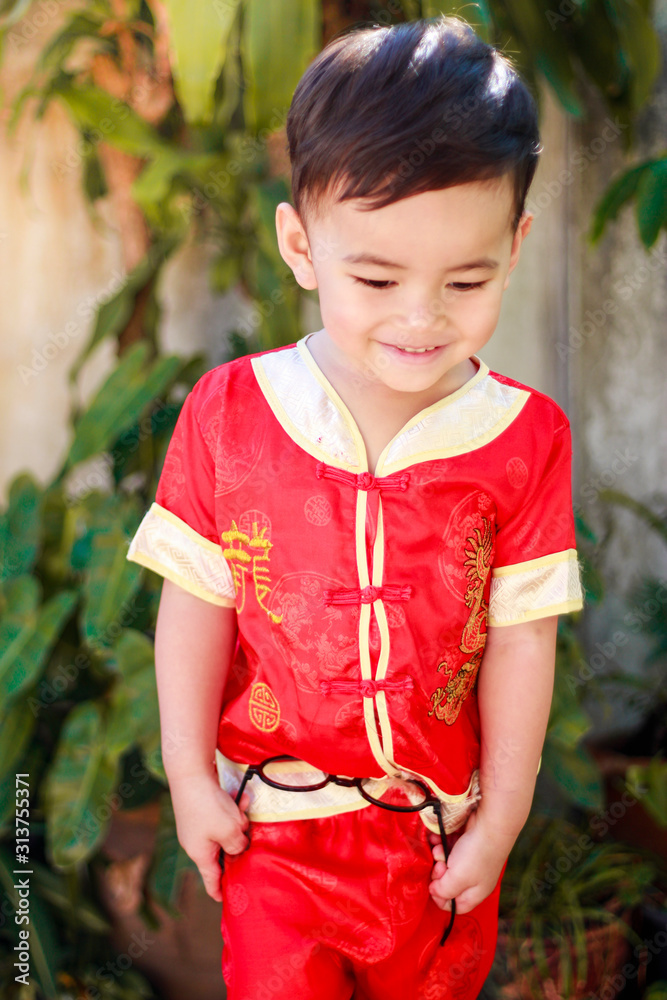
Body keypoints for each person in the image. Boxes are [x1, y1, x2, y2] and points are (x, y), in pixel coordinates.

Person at [126, 14, 585, 999]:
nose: (421, 316)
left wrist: (501, 817)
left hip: (439, 842)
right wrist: (189, 778)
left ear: (516, 244)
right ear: (300, 244)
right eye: (375, 277)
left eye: (466, 279)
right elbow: (195, 607)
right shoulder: (231, 412)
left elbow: (521, 639)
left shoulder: (524, 435)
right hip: (277, 837)